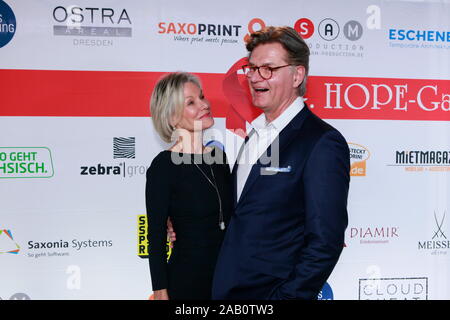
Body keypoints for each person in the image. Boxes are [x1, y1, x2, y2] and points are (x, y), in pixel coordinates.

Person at [210, 26, 350, 299]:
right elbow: (243, 212)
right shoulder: (255, 133)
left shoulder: (321, 142)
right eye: (251, 68)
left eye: (268, 69)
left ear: (297, 75)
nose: (254, 77)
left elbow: (326, 241)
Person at [145, 72, 232, 300]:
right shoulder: (164, 166)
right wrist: (160, 291)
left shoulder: (219, 158)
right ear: (172, 117)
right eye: (191, 102)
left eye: (202, 97)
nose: (204, 105)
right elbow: (155, 236)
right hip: (187, 281)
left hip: (229, 279)